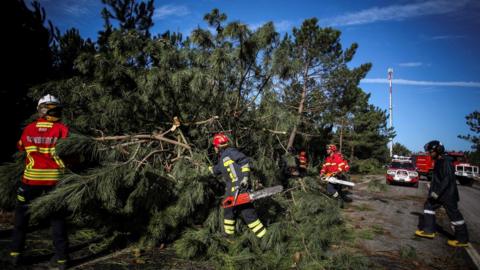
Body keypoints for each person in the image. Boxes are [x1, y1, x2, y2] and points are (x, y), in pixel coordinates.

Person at [10, 94, 70, 269]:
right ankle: (62, 259)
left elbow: (20, 146)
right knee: (57, 219)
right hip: (55, 181)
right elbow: (71, 153)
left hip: (30, 181)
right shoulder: (62, 129)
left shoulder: (29, 129)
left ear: (40, 110)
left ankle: (15, 255)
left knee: (21, 218)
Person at [209, 133, 267, 238]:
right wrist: (206, 169)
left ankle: (264, 237)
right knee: (228, 209)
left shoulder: (231, 152)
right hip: (230, 189)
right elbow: (216, 169)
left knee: (247, 213)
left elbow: (244, 161)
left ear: (218, 146)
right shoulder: (222, 158)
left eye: (215, 146)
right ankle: (228, 235)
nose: (214, 148)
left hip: (240, 187)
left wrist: (245, 177)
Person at [415, 140, 469, 247]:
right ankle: (429, 231)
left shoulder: (446, 162)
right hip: (441, 194)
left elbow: (447, 179)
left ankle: (462, 240)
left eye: (431, 152)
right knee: (429, 205)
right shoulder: (440, 161)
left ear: (438, 151)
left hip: (447, 195)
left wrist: (436, 193)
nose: (430, 154)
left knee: (454, 215)